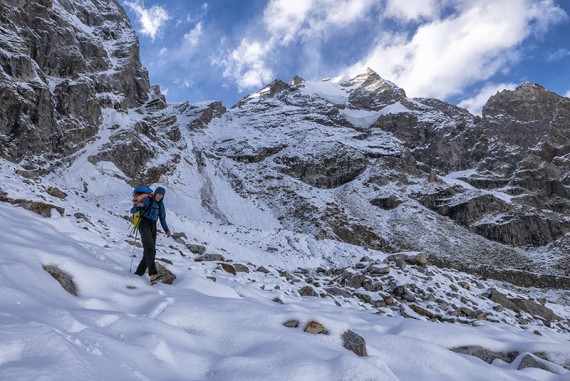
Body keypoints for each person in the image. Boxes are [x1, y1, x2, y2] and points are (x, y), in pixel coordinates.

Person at [131, 186, 171, 284]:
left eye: (162, 195)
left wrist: (166, 230)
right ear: (156, 193)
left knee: (149, 251)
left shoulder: (161, 205)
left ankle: (138, 274)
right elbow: (133, 210)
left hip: (153, 226)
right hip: (143, 223)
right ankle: (153, 274)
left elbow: (162, 219)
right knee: (150, 248)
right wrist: (138, 206)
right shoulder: (147, 199)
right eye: (159, 194)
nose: (160, 196)